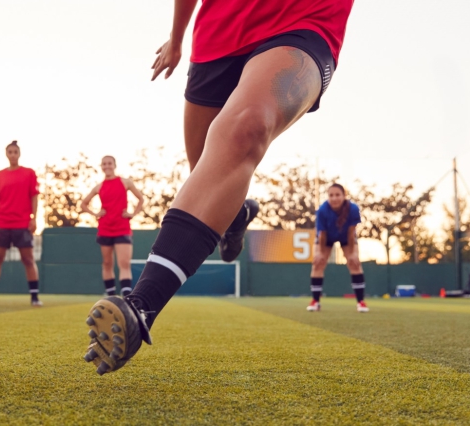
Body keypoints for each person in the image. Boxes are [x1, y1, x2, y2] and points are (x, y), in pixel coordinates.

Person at [82, 0, 354, 375]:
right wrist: (177, 40)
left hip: (302, 22)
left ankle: (141, 306)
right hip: (218, 37)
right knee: (208, 176)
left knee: (247, 128)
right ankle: (237, 216)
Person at [0, 141, 42, 307]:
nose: (13, 154)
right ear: (6, 154)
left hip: (22, 223)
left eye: (15, 152)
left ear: (19, 154)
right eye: (10, 152)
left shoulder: (29, 173)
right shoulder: (0, 175)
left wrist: (34, 218)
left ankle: (35, 297)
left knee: (28, 259)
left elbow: (34, 197)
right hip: (2, 223)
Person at [80, 156, 145, 297]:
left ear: (114, 165)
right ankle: (110, 296)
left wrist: (132, 213)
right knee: (107, 263)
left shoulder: (125, 182)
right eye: (104, 164)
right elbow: (83, 204)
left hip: (122, 229)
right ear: (101, 166)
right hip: (105, 229)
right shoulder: (99, 186)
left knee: (124, 264)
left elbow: (141, 199)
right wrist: (95, 213)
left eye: (109, 163)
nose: (107, 166)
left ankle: (127, 297)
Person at [307, 183, 368, 313]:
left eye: (337, 195)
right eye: (331, 195)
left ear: (344, 196)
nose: (334, 198)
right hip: (326, 236)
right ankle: (315, 301)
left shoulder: (353, 209)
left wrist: (352, 253)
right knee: (318, 263)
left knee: (354, 263)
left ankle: (361, 302)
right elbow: (321, 234)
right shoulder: (322, 210)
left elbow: (351, 232)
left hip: (346, 236)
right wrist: (320, 253)